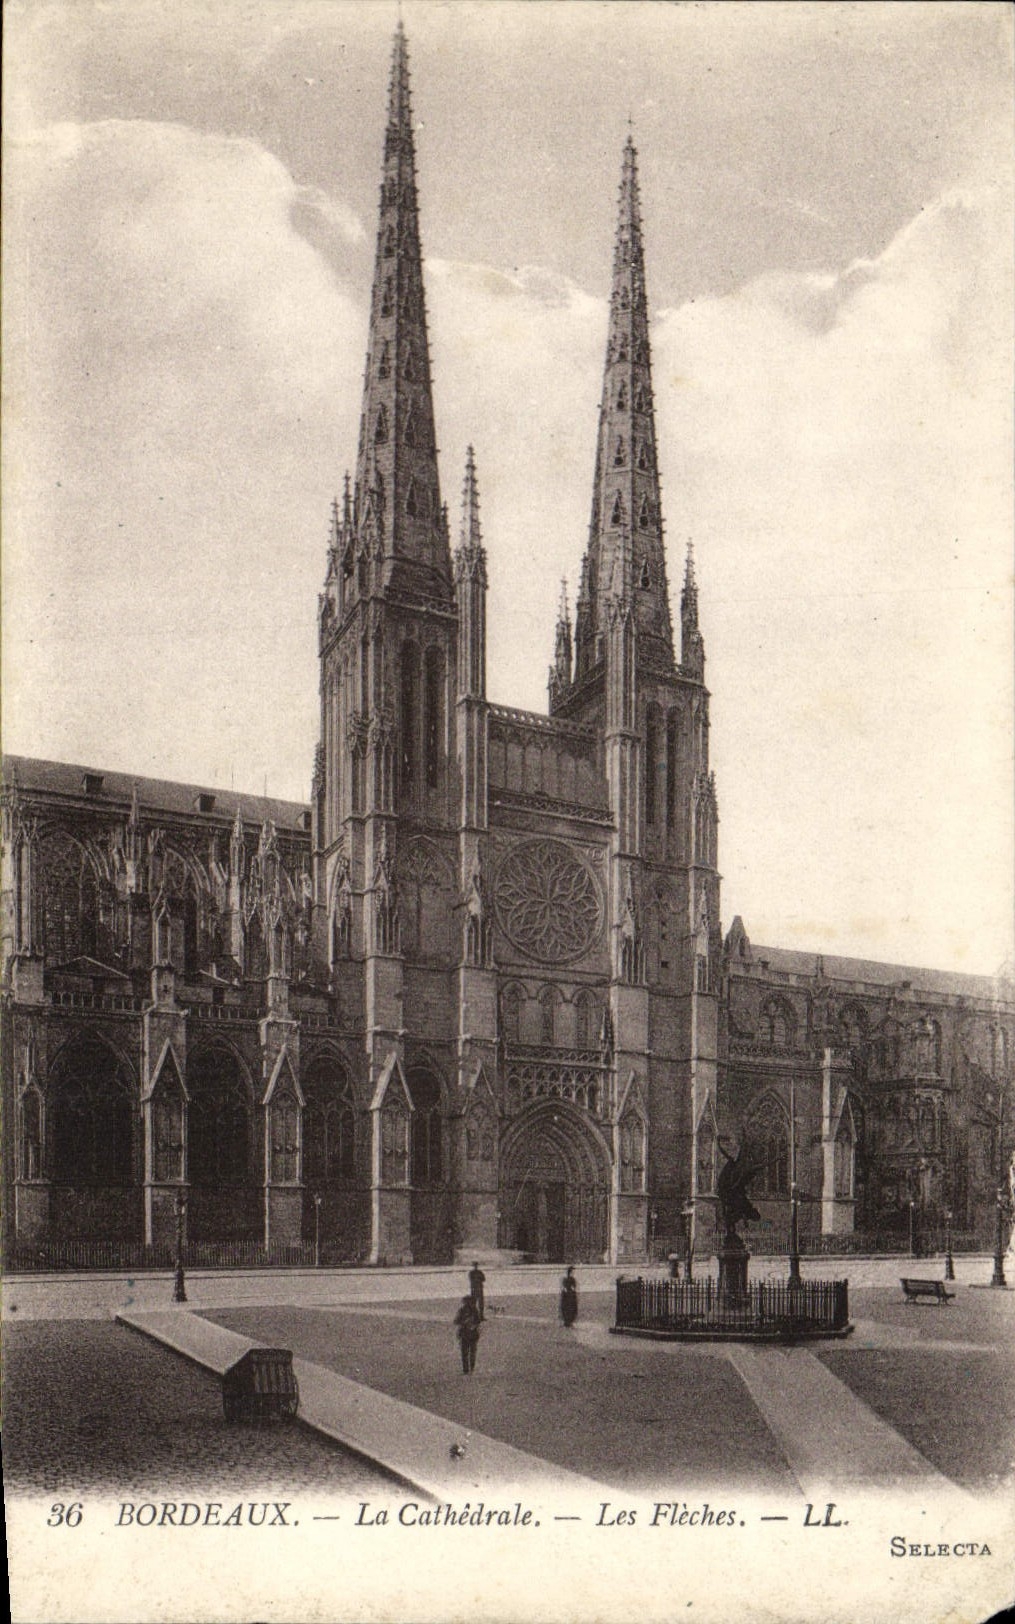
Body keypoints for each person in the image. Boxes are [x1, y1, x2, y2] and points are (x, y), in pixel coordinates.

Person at [454, 1294, 481, 1374]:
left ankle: (467, 1369)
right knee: (470, 1352)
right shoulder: (473, 1310)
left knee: (466, 1353)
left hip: (466, 1334)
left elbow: (456, 1321)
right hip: (470, 1334)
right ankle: (469, 1369)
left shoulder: (464, 1310)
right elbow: (478, 1322)